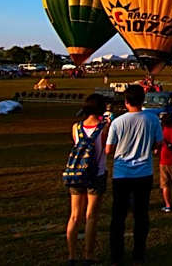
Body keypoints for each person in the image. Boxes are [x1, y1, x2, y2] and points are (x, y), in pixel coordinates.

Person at [106, 84, 162, 265]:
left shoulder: (117, 122)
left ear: (126, 101)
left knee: (118, 216)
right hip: (144, 172)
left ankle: (116, 255)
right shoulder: (152, 119)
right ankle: (139, 254)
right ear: (142, 100)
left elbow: (109, 149)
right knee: (141, 215)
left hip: (121, 174)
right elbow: (158, 143)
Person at [66, 94, 109, 266]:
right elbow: (106, 149)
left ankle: (71, 255)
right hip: (96, 173)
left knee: (75, 215)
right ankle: (88, 254)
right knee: (91, 216)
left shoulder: (76, 127)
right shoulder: (104, 127)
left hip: (76, 174)